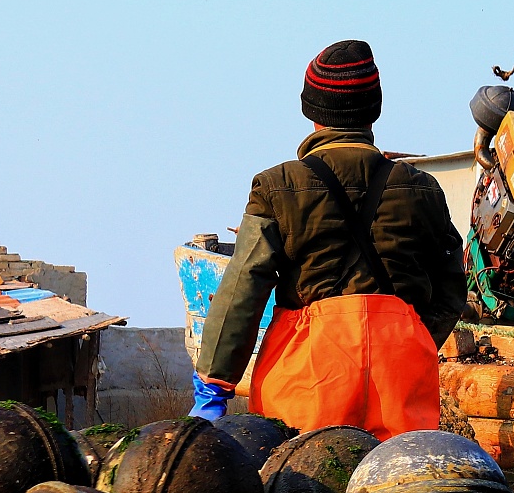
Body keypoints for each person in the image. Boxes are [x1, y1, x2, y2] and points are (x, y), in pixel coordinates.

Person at [190, 40, 465, 438]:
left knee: (303, 484)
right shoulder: (423, 190)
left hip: (310, 377)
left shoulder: (278, 186)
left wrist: (213, 385)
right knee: (397, 490)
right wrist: (412, 337)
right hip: (401, 376)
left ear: (312, 111)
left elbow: (242, 290)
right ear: (374, 109)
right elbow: (452, 289)